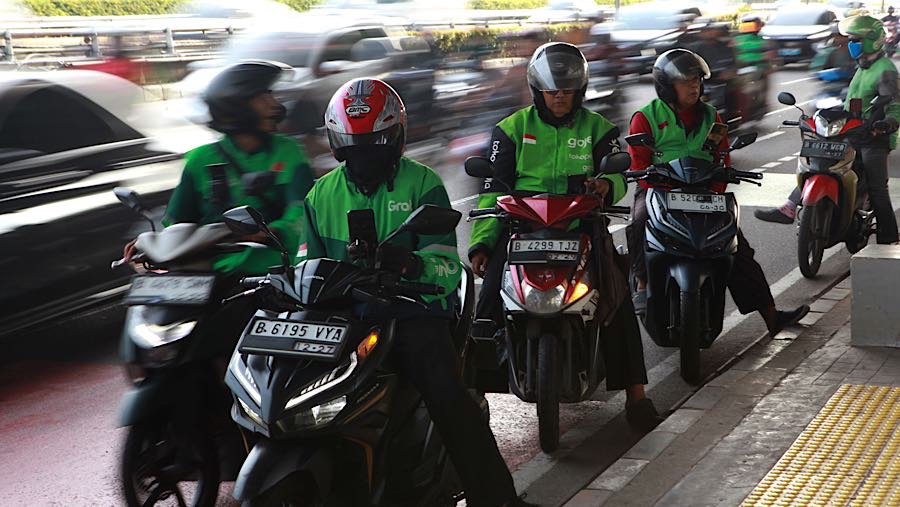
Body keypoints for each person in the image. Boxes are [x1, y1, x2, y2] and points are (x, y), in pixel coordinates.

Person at [298, 78, 535, 507]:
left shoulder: (422, 183)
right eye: (355, 147)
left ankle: (498, 499)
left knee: (448, 396)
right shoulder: (320, 194)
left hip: (413, 310)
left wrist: (410, 264)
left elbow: (446, 266)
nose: (364, 157)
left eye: (375, 146)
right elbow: (308, 265)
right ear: (338, 146)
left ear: (394, 142)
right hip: (346, 318)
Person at [468, 42, 663, 431]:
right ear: (537, 91)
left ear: (580, 91)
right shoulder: (510, 130)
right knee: (486, 303)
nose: (559, 98)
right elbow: (490, 190)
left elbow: (618, 175)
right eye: (552, 91)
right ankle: (474, 395)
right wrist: (482, 242)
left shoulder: (598, 128)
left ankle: (637, 396)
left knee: (617, 296)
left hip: (582, 229)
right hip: (520, 230)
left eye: (567, 91)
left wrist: (606, 186)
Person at [625, 49, 810, 336]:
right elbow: (638, 162)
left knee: (738, 249)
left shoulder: (712, 116)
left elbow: (723, 157)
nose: (694, 86)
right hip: (659, 192)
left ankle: (771, 317)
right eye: (686, 81)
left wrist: (714, 190)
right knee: (637, 222)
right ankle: (642, 282)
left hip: (704, 194)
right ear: (666, 86)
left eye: (697, 80)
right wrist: (657, 190)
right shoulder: (645, 117)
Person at [755, 15, 900, 246]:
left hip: (875, 137)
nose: (851, 43)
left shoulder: (884, 69)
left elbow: (893, 104)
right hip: (852, 130)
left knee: (876, 187)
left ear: (871, 40)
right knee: (820, 161)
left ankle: (889, 237)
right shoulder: (864, 65)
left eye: (855, 39)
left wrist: (887, 123)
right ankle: (790, 207)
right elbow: (852, 101)